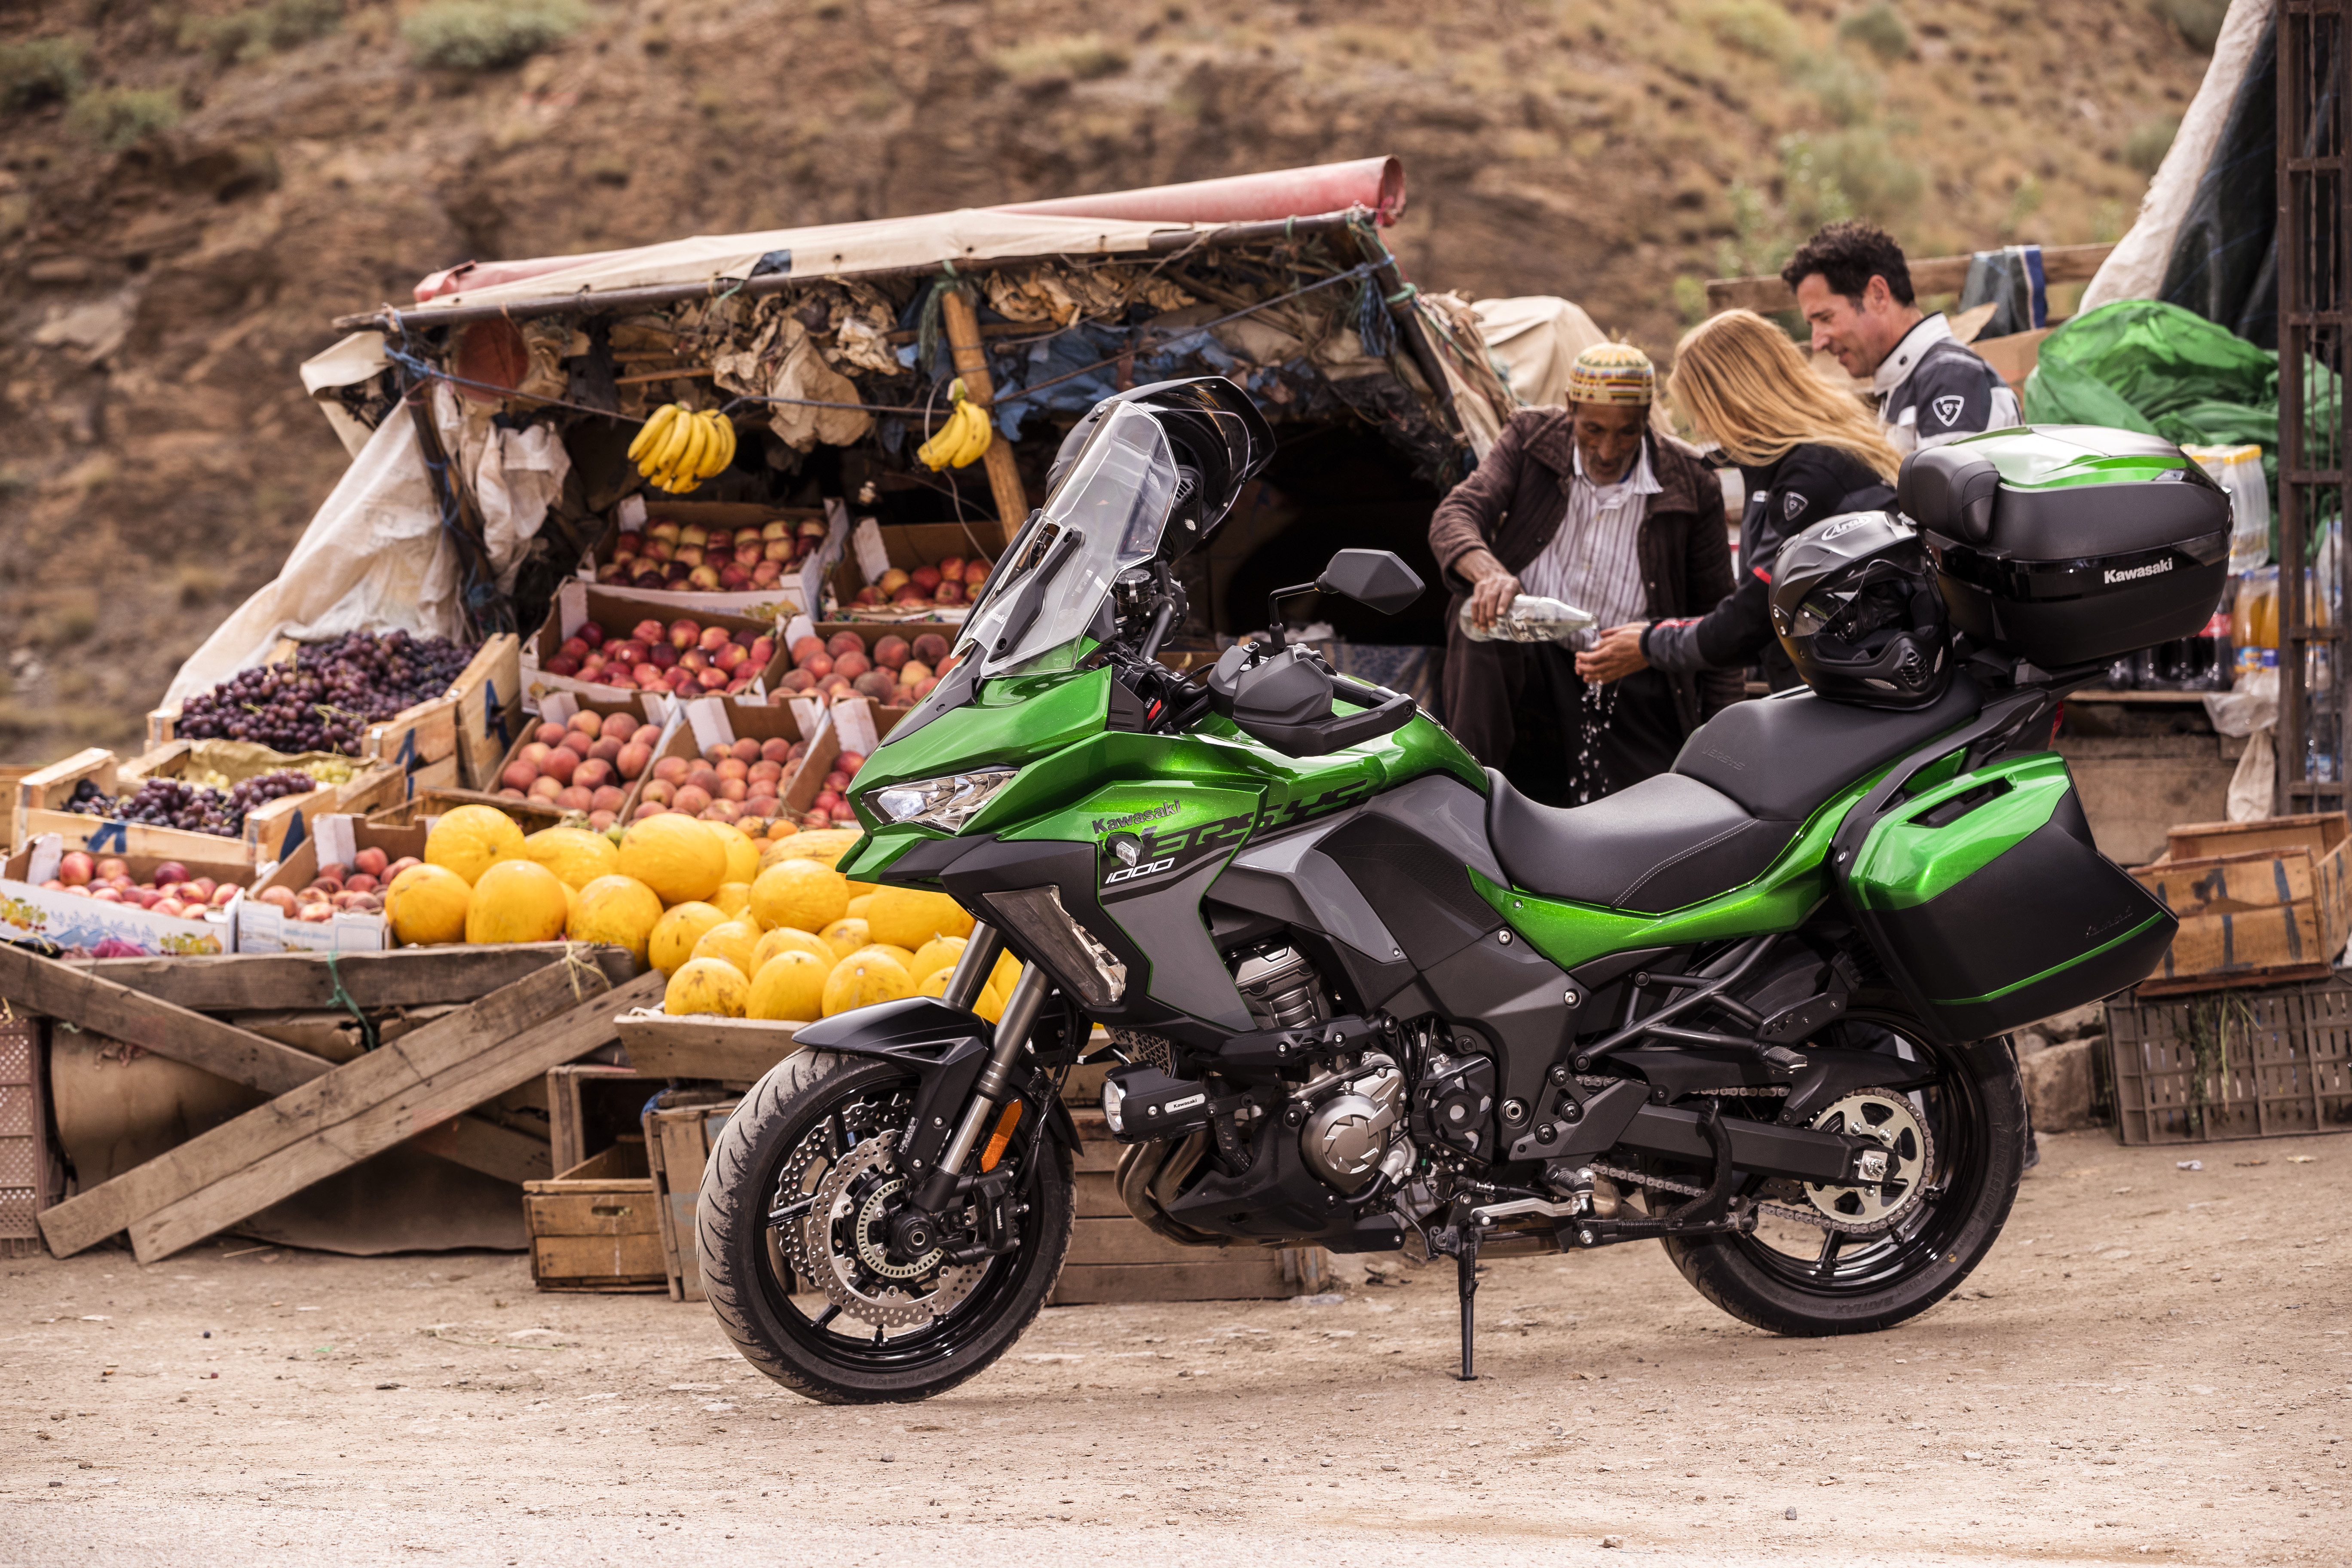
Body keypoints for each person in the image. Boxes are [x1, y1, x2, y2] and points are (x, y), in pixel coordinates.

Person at [1429, 341, 1740, 805]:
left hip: (1630, 670)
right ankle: (1469, 796)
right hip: (1536, 659)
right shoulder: (1530, 438)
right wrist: (1490, 573)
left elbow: (1718, 622)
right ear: (1571, 409)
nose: (1608, 449)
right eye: (1593, 429)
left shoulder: (1691, 481)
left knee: (1648, 821)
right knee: (1480, 614)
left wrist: (1725, 751)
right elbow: (1457, 513)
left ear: (1646, 420)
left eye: (1627, 433)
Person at [1575, 309, 1901, 693]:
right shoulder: (1793, 461)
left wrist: (1651, 643)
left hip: (1862, 691)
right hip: (1852, 678)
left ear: (1734, 399)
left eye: (1702, 411)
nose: (1702, 428)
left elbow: (1757, 615)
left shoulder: (1813, 473)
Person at [1783, 219, 2020, 456]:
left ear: (1878, 295)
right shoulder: (1907, 380)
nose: (1817, 342)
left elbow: (1947, 491)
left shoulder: (1949, 377)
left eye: (1826, 318)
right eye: (1812, 325)